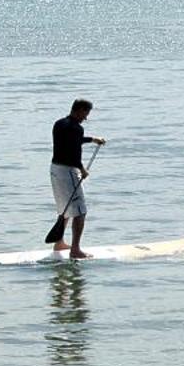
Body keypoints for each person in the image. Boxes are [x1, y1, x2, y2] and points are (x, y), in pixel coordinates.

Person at [50, 99, 106, 259]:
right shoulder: (76, 128)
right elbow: (73, 152)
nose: (86, 118)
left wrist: (92, 139)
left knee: (64, 208)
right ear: (80, 110)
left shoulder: (59, 123)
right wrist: (82, 170)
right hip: (68, 171)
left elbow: (70, 142)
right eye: (86, 113)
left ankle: (59, 243)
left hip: (55, 169)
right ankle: (75, 250)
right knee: (80, 212)